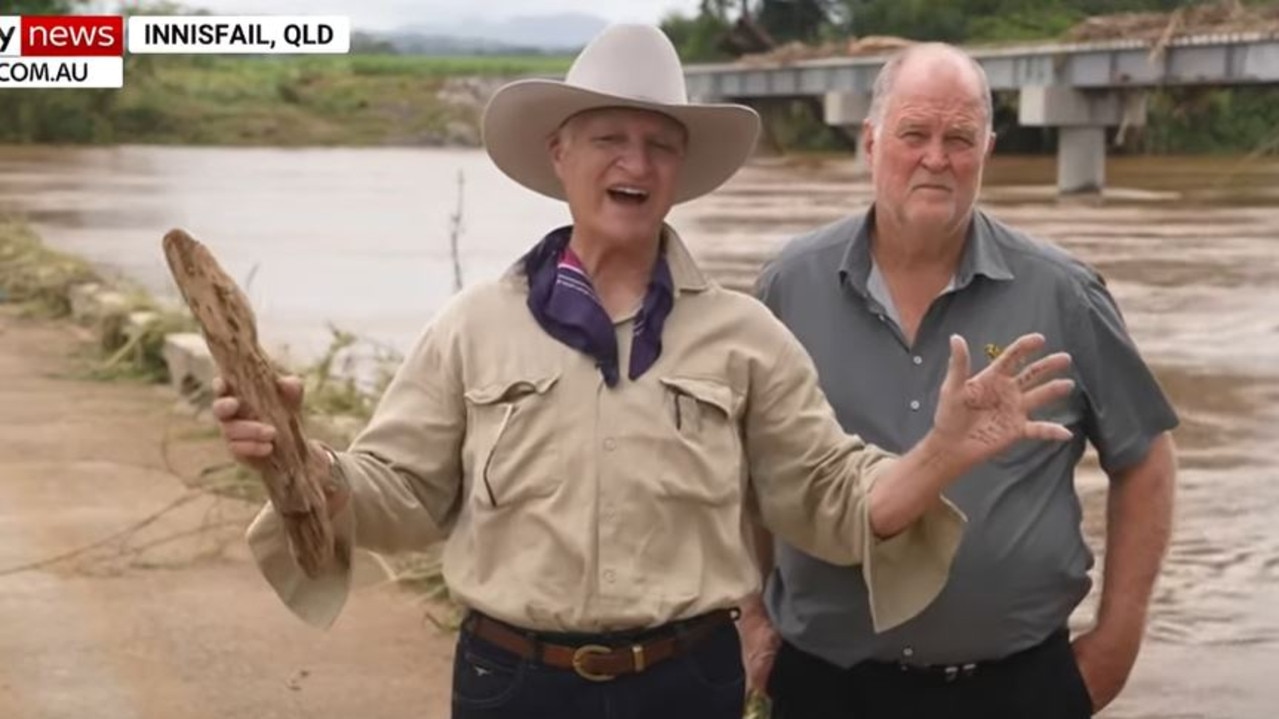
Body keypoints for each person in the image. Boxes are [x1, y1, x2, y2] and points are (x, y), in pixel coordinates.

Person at [211, 26, 1075, 719]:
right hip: (512, 682)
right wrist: (302, 462)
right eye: (608, 138)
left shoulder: (746, 337)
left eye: (659, 144)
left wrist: (944, 451)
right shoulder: (474, 325)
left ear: (680, 174)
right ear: (559, 153)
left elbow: (835, 499)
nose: (634, 162)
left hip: (685, 683)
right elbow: (398, 494)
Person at [740, 42, 1179, 719]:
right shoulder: (788, 287)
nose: (935, 158)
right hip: (823, 685)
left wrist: (1116, 641)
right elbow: (741, 470)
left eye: (959, 138)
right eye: (913, 134)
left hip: (1018, 687)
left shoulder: (1062, 293)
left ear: (987, 150)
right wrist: (748, 613)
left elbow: (1144, 456)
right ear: (869, 141)